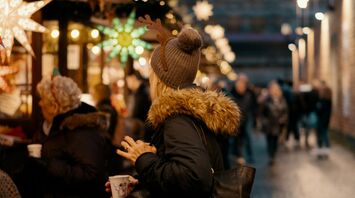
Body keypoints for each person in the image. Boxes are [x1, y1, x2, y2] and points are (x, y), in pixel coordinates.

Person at [115, 23, 241, 197]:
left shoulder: (178, 119)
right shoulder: (194, 113)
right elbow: (181, 171)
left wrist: (144, 159)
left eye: (152, 74)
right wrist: (143, 179)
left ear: (160, 80)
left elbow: (195, 177)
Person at [25, 75, 109, 197]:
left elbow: (91, 174)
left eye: (42, 99)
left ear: (54, 105)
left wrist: (48, 165)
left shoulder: (82, 130)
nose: (39, 103)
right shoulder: (49, 126)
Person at [261, 81, 288, 165]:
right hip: (269, 124)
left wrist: (283, 119)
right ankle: (271, 156)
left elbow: (285, 111)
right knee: (269, 141)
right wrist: (264, 121)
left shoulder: (282, 99)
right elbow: (262, 112)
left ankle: (273, 155)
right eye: (273, 89)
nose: (274, 91)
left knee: (275, 141)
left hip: (278, 125)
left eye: (276, 89)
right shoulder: (266, 100)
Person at [230, 77, 255, 163]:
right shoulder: (232, 94)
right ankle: (238, 155)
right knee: (236, 139)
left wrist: (255, 119)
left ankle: (250, 156)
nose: (240, 88)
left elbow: (254, 106)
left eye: (242, 86)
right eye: (238, 86)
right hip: (236, 119)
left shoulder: (250, 94)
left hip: (247, 118)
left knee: (247, 137)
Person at [315, 81, 332, 159]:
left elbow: (319, 110)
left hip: (321, 121)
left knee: (321, 137)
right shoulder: (328, 100)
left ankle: (321, 152)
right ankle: (324, 152)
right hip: (325, 121)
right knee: (324, 137)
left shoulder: (323, 101)